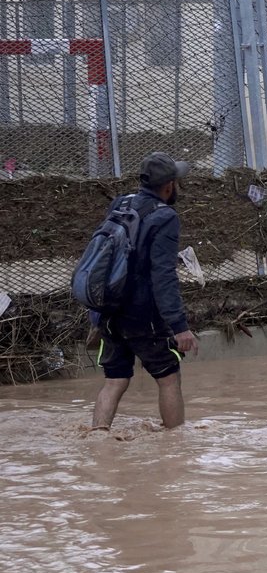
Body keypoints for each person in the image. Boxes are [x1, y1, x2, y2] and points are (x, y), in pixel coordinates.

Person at [91, 152, 200, 431]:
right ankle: (176, 446)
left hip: (110, 312)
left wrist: (95, 316)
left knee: (114, 381)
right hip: (144, 316)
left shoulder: (120, 204)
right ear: (168, 186)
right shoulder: (165, 217)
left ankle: (98, 439)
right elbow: (163, 275)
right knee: (168, 378)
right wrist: (179, 327)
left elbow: (102, 261)